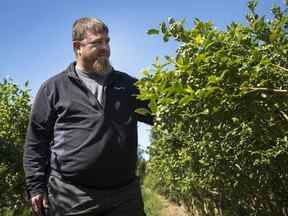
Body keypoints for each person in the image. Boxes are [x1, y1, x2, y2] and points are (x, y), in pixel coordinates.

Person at [23, 17, 153, 216]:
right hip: (72, 196)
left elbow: (163, 114)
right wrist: (36, 186)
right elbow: (36, 141)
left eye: (107, 41)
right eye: (97, 43)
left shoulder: (129, 86)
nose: (105, 48)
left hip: (125, 196)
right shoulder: (54, 88)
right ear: (77, 47)